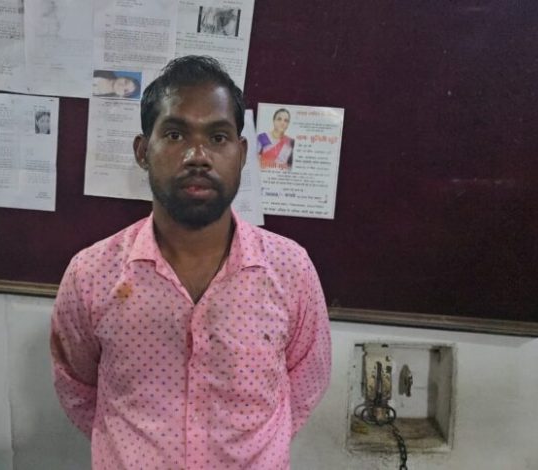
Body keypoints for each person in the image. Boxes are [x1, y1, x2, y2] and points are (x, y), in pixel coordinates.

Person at [51, 56, 331, 470]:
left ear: (241, 153)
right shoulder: (92, 275)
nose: (198, 156)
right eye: (176, 134)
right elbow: (77, 386)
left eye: (218, 137)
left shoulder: (291, 270)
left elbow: (306, 384)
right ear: (143, 151)